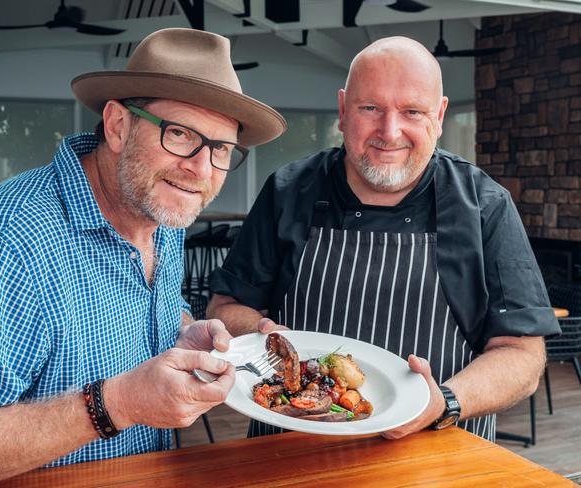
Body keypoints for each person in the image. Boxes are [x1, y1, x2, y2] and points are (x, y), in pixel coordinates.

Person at [0, 28, 286, 485]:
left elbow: (142, 309)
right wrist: (119, 403)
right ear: (118, 126)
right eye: (179, 134)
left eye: (220, 149)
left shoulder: (158, 212)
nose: (200, 169)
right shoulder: (8, 241)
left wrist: (182, 330)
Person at [208, 36, 560, 441]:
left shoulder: (484, 205)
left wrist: (444, 402)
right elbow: (225, 306)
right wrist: (263, 333)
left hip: (434, 457)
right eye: (370, 108)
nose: (389, 132)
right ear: (342, 110)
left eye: (412, 111)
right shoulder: (289, 190)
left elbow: (522, 354)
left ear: (440, 115)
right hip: (292, 450)